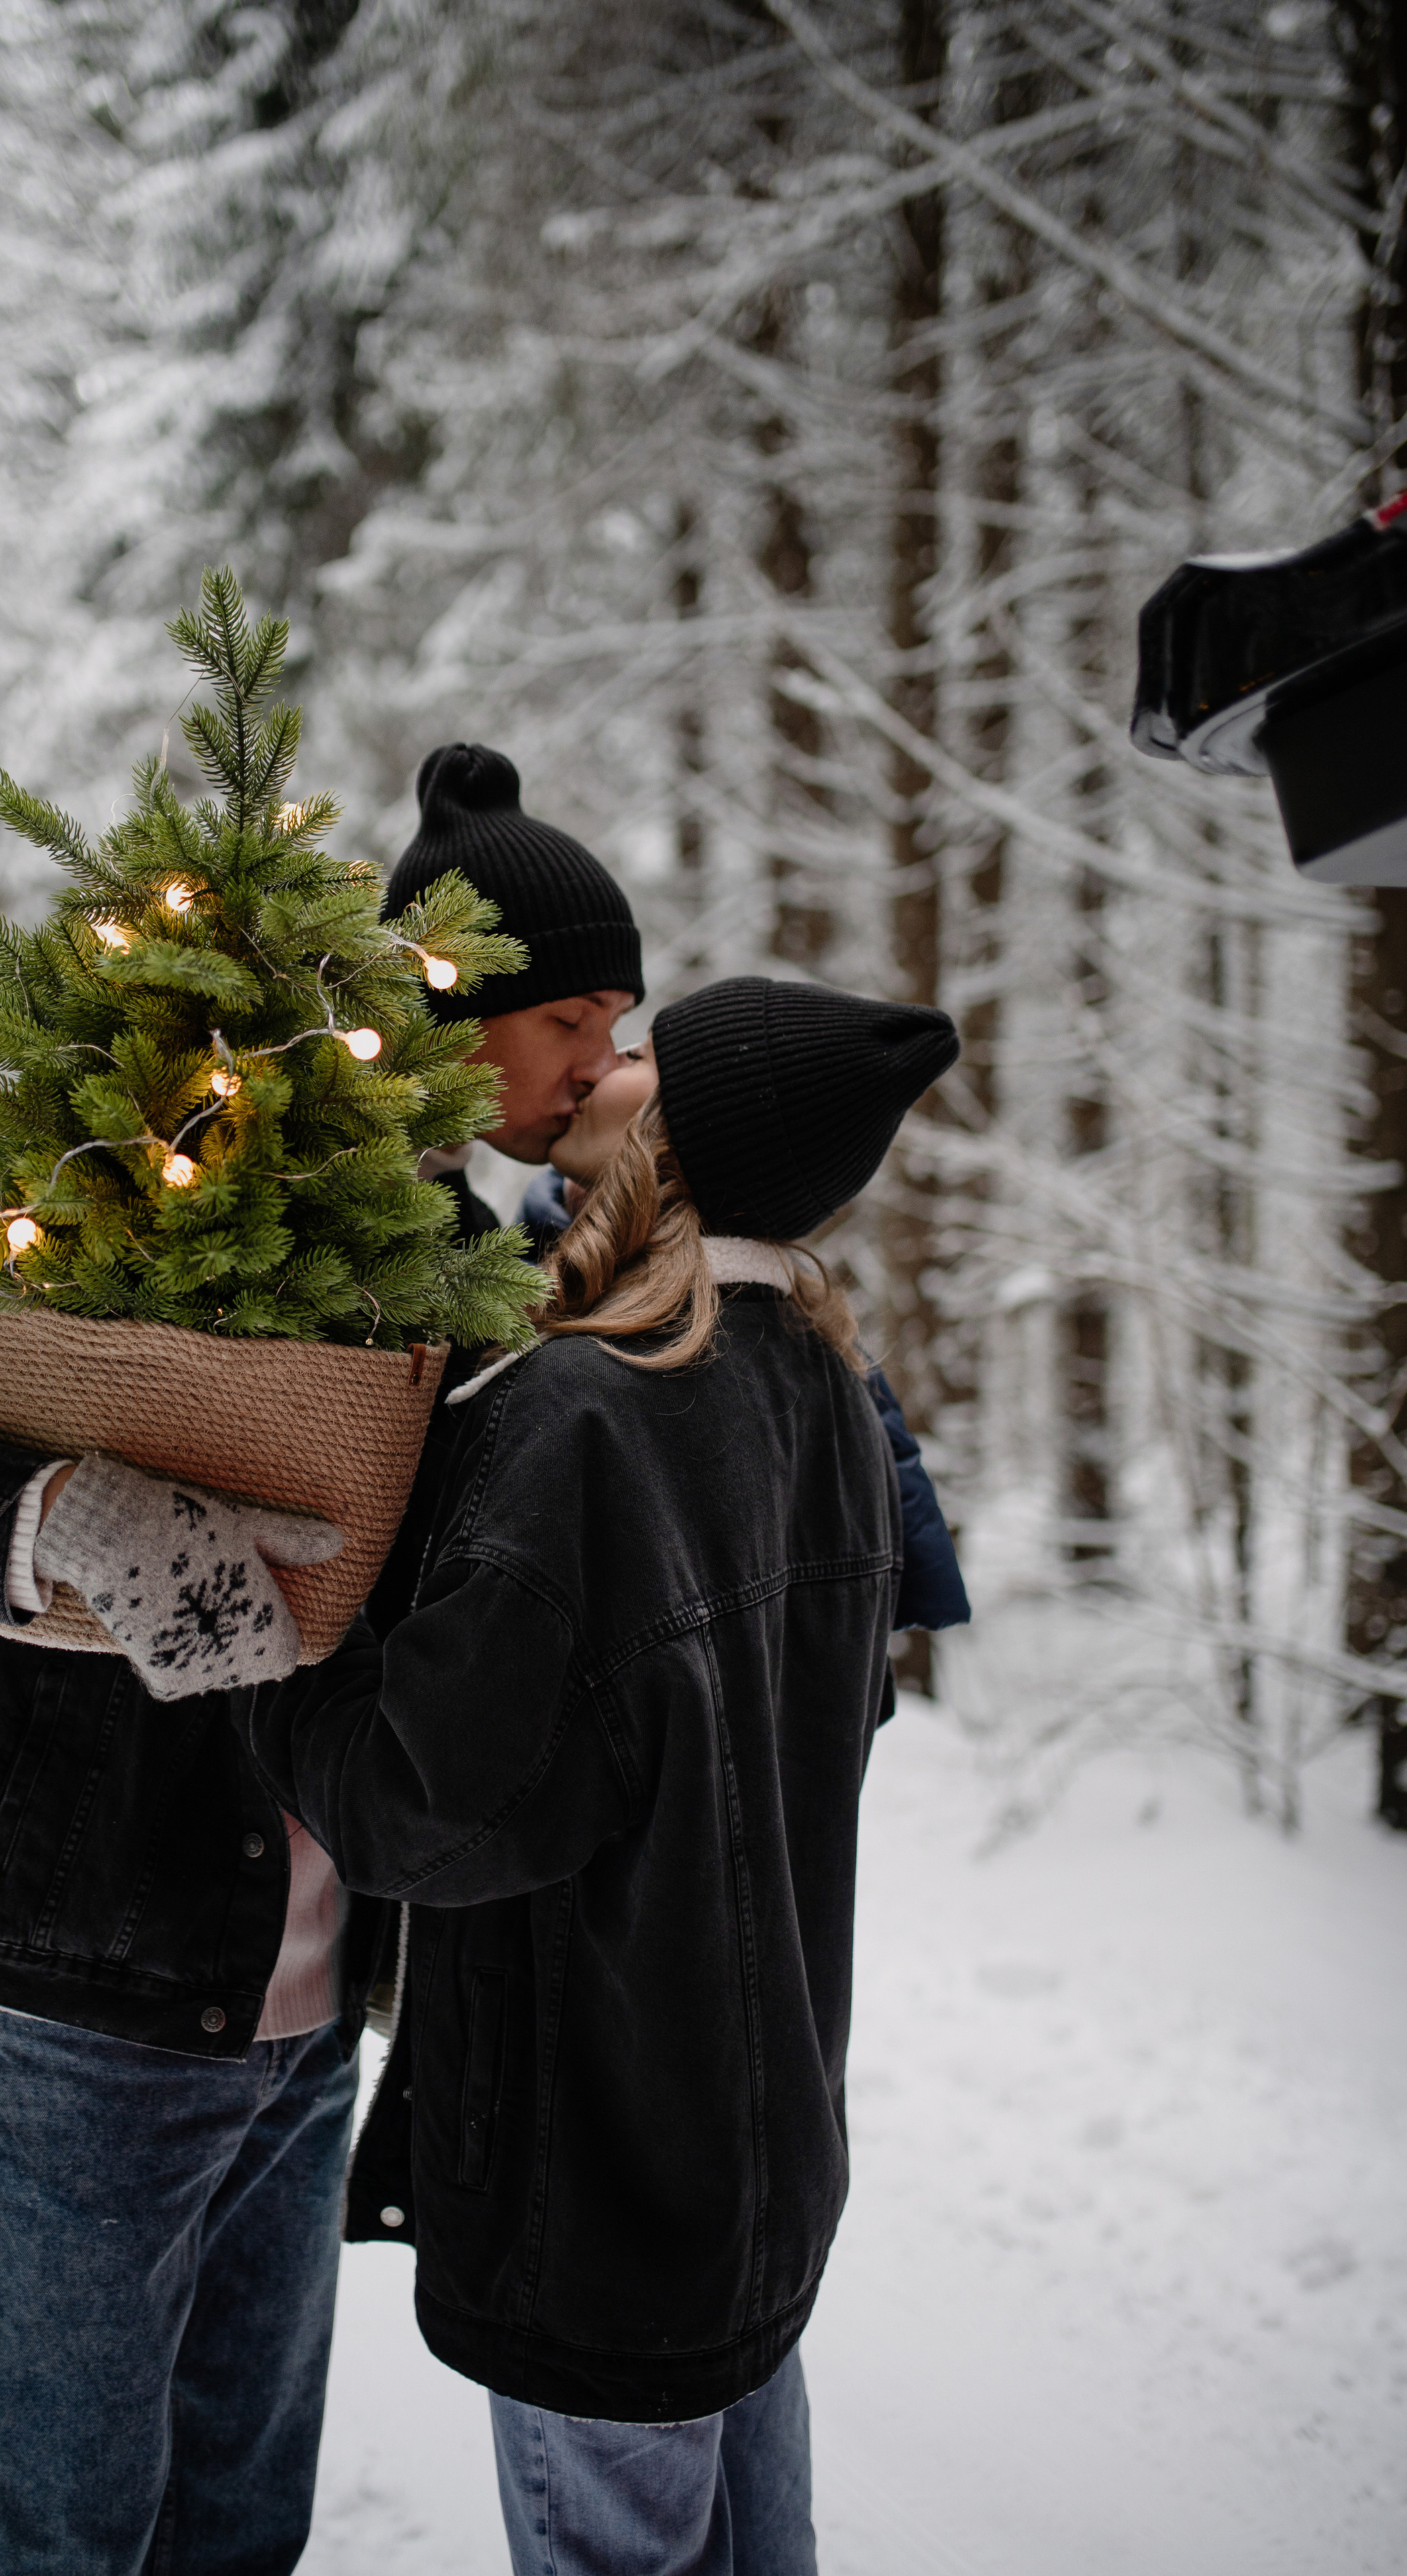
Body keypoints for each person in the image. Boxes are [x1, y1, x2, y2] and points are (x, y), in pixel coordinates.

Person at [0, 742, 644, 2576]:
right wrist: (53, 1517)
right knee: (63, 2531)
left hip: (302, 2023)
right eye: (574, 1018)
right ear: (451, 1013)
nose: (601, 1058)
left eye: (625, 1018)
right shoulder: (155, 1183)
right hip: (82, 2005)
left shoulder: (464, 1261)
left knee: (234, 2525)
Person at [248, 973, 961, 2576]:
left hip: (601, 2181)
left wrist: (255, 1639)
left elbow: (421, 1811)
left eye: (642, 1053)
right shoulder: (826, 1393)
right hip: (757, 2161)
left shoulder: (586, 1411)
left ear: (687, 1133)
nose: (607, 1067)